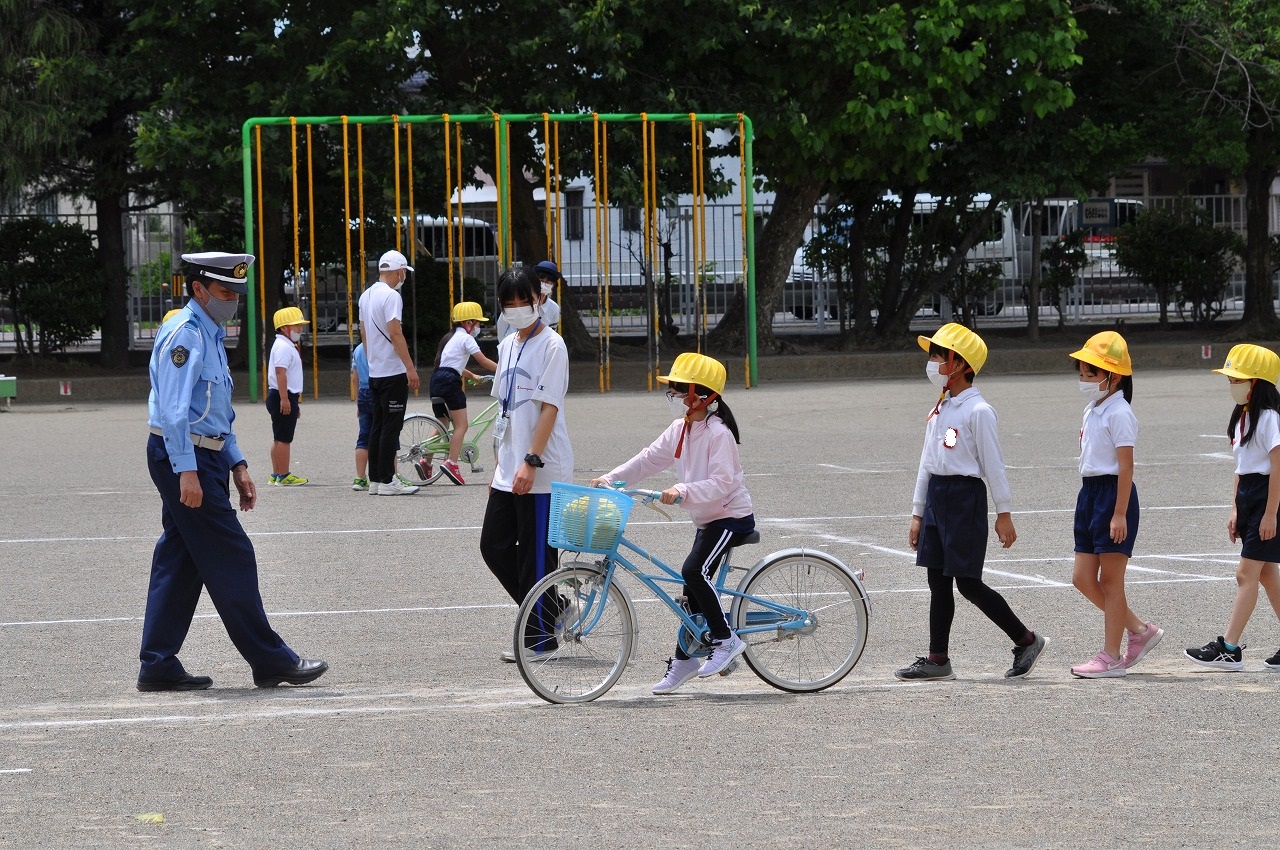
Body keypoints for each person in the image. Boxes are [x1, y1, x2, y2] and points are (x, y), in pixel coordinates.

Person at [139, 251, 327, 691]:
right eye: (224, 292)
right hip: (181, 455)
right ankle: (270, 660)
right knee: (232, 554)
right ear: (198, 290)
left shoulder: (210, 330)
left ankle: (157, 663)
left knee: (181, 559)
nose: (232, 301)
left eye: (236, 294)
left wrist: (236, 461)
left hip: (202, 455)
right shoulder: (186, 334)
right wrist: (187, 471)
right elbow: (173, 412)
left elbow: (215, 412)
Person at [590, 352, 754, 694]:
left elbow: (722, 484)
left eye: (681, 389)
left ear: (703, 394)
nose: (676, 396)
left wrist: (681, 489)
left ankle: (725, 640)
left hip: (730, 517)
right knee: (690, 589)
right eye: (675, 390)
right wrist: (611, 478)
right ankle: (685, 660)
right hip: (707, 518)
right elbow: (649, 458)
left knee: (695, 572)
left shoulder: (718, 433)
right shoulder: (682, 429)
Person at [896, 323, 1048, 682]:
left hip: (964, 498)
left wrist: (1004, 513)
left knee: (968, 583)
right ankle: (938, 658)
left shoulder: (978, 411)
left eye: (938, 355)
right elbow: (926, 463)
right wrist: (917, 513)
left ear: (960, 363)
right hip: (938, 496)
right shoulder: (942, 407)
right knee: (937, 581)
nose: (932, 363)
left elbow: (993, 464)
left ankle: (1026, 640)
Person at [479, 267, 573, 662]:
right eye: (509, 302)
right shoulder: (508, 345)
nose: (518, 308)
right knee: (493, 546)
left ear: (540, 299)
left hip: (542, 468)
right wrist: (502, 461)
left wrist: (530, 461)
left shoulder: (553, 346)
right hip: (510, 466)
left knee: (535, 556)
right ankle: (555, 611)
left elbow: (549, 407)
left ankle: (540, 640)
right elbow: (504, 408)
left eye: (525, 300)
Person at [1069, 331, 1162, 678]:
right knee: (1081, 577)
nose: (1083, 379)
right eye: (1081, 372)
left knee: (1111, 582)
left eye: (1090, 373)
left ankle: (1111, 657)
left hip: (1113, 495)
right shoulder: (1093, 409)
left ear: (1114, 376)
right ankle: (1139, 629)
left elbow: (1126, 466)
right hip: (1089, 493)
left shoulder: (1120, 412)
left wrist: (1119, 512)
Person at [1186, 343, 1280, 672]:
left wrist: (1270, 514)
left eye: (1237, 379)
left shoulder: (1269, 418)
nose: (1232, 385)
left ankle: (1229, 648)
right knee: (1266, 574)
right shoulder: (1243, 417)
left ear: (1258, 382)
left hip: (1268, 498)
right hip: (1249, 498)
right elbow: (1241, 469)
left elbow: (1277, 468)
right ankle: (1230, 648)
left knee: (1245, 574)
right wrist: (1235, 509)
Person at [358, 249, 421, 495]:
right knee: (391, 428)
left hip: (375, 371)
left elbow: (364, 334)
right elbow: (395, 332)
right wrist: (410, 367)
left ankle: (375, 480)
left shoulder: (366, 295)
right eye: (404, 271)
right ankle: (387, 480)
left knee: (377, 426)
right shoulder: (392, 296)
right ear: (398, 271)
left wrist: (373, 359)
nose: (404, 275)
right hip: (393, 371)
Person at [430, 301, 499, 485]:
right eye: (477, 323)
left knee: (442, 423)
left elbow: (451, 365)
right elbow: (483, 360)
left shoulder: (449, 338)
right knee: (462, 425)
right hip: (450, 382)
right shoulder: (467, 339)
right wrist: (504, 370)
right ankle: (451, 463)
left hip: (436, 379)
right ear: (468, 323)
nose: (478, 327)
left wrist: (472, 375)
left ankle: (426, 461)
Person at [266, 306, 309, 486]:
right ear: (284, 328)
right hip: (282, 394)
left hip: (282, 395)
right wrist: (285, 399)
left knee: (279, 436)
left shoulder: (285, 345)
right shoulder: (284, 346)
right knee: (284, 438)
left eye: (300, 325)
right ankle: (284, 475)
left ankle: (276, 474)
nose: (300, 329)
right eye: (296, 325)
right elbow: (280, 373)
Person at [495, 260, 562, 339]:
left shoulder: (554, 308)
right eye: (541, 281)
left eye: (548, 282)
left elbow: (552, 333)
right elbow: (501, 327)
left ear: (553, 285)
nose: (544, 284)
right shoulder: (515, 302)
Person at [351, 341, 373, 491]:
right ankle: (392, 474)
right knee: (387, 433)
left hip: (363, 391)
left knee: (363, 437)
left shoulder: (358, 349)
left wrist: (358, 399)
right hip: (379, 389)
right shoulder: (382, 344)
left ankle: (360, 477)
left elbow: (354, 376)